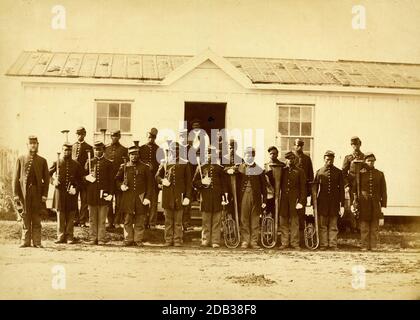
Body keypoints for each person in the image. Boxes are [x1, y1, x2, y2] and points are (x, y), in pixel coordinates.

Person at [13, 135, 50, 248]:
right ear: (27, 145)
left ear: (37, 145)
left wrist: (44, 195)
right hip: (24, 193)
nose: (33, 145)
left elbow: (47, 180)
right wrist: (16, 194)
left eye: (35, 143)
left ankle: (37, 242)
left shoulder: (42, 161)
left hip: (37, 193)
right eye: (31, 143)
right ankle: (25, 241)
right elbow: (15, 178)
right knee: (25, 216)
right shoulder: (21, 158)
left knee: (36, 217)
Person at [155, 142, 192, 247]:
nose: (175, 151)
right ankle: (168, 239)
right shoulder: (165, 162)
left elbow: (189, 182)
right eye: (172, 149)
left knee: (178, 220)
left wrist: (188, 197)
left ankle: (177, 240)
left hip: (179, 196)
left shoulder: (185, 163)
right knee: (168, 220)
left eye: (177, 150)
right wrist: (162, 181)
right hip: (167, 196)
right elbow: (157, 176)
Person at [116, 145, 153, 246]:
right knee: (127, 220)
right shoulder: (124, 167)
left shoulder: (145, 167)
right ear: (129, 155)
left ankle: (138, 239)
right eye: (132, 154)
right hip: (128, 198)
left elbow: (150, 185)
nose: (134, 156)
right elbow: (117, 180)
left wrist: (147, 197)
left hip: (140, 198)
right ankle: (128, 239)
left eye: (136, 154)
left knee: (140, 220)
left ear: (139, 154)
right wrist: (121, 186)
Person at [193, 146, 228, 248]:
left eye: (212, 153)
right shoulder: (200, 168)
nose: (210, 155)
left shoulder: (220, 169)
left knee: (217, 221)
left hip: (217, 198)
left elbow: (224, 184)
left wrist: (225, 196)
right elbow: (194, 183)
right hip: (206, 198)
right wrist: (201, 182)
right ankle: (205, 240)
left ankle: (215, 241)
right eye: (208, 153)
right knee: (206, 221)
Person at [49, 143, 84, 244]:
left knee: (71, 214)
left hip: (71, 193)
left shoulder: (76, 164)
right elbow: (48, 174)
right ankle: (60, 236)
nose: (66, 152)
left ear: (71, 151)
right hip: (60, 192)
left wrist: (76, 189)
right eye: (65, 150)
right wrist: (53, 181)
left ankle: (69, 236)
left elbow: (80, 179)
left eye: (69, 150)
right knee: (60, 214)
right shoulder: (57, 162)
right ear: (62, 150)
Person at [313, 151, 345, 250]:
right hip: (322, 203)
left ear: (333, 159)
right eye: (327, 159)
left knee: (333, 225)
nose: (329, 161)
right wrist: (313, 205)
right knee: (323, 226)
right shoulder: (319, 172)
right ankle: (323, 244)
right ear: (324, 159)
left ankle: (333, 244)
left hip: (334, 203)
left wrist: (342, 205)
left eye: (331, 159)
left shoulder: (338, 172)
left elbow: (341, 190)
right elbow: (314, 189)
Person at [236, 147, 267, 249]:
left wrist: (265, 200)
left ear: (253, 156)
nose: (248, 157)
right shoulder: (240, 168)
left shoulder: (259, 169)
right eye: (246, 155)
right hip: (244, 195)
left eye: (250, 155)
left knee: (255, 219)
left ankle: (254, 241)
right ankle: (245, 241)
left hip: (256, 196)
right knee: (244, 219)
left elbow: (264, 186)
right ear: (244, 156)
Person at [84, 141, 114, 245]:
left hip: (104, 195)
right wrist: (87, 178)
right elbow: (82, 179)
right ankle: (93, 238)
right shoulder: (89, 162)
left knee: (102, 219)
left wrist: (111, 194)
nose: (97, 151)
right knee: (92, 218)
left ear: (103, 150)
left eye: (100, 149)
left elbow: (111, 181)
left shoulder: (108, 163)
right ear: (93, 150)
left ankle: (101, 238)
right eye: (96, 149)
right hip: (92, 195)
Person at [358, 152, 387, 251]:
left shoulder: (379, 174)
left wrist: (383, 205)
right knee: (364, 226)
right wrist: (355, 202)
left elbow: (383, 190)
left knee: (374, 226)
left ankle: (373, 246)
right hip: (364, 203)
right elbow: (355, 189)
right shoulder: (360, 174)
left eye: (372, 161)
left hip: (375, 203)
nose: (370, 162)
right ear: (365, 161)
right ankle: (364, 246)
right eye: (368, 161)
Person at [279, 151, 306, 250]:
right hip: (284, 201)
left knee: (295, 222)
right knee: (283, 222)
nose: (290, 161)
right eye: (288, 159)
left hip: (295, 200)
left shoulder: (300, 171)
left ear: (294, 159)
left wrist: (301, 202)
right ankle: (284, 242)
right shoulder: (282, 171)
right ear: (285, 160)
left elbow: (303, 188)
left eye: (291, 159)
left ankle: (295, 243)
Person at [139, 128, 164, 229]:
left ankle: (152, 223)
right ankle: (144, 222)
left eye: (153, 137)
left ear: (155, 138)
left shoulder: (159, 149)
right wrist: (145, 166)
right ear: (146, 136)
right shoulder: (141, 148)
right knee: (144, 201)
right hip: (144, 180)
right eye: (149, 137)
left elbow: (161, 164)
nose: (151, 139)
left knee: (153, 202)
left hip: (154, 180)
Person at [104, 130, 128, 230]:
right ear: (110, 137)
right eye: (113, 136)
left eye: (117, 136)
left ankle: (117, 221)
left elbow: (126, 166)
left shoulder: (124, 149)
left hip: (118, 180)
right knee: (108, 201)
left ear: (119, 137)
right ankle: (110, 222)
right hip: (108, 180)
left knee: (119, 202)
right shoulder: (105, 148)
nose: (115, 138)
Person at [341, 136, 365, 232]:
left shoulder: (364, 157)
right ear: (351, 145)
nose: (355, 146)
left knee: (362, 203)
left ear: (360, 144)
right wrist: (346, 184)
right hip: (352, 185)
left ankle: (361, 226)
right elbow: (343, 172)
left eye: (357, 144)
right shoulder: (348, 158)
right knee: (351, 203)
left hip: (363, 185)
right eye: (353, 144)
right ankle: (353, 225)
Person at [72, 127, 93, 227]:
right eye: (78, 134)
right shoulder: (72, 146)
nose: (79, 136)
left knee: (84, 199)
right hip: (74, 178)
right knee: (73, 198)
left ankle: (82, 220)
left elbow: (91, 163)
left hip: (84, 178)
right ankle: (75, 219)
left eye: (81, 134)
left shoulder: (89, 147)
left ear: (85, 134)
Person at [293, 138, 314, 238]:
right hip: (293, 189)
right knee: (293, 214)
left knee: (302, 213)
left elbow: (311, 174)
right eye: (297, 145)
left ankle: (301, 238)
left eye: (300, 145)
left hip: (303, 190)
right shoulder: (291, 158)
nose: (298, 147)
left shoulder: (307, 158)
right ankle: (293, 237)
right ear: (294, 146)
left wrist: (309, 191)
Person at [178, 128, 194, 232]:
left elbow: (195, 165)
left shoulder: (192, 149)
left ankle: (186, 223)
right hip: (179, 180)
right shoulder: (176, 149)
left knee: (187, 202)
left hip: (189, 178)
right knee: (178, 204)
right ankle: (178, 224)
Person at [264, 146, 285, 216]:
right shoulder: (266, 166)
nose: (272, 155)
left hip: (280, 191)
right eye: (271, 154)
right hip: (270, 192)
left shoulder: (282, 165)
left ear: (277, 154)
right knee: (269, 210)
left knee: (279, 210)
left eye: (274, 153)